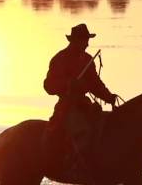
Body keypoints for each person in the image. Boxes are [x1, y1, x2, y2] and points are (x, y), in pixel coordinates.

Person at [42, 23, 118, 176]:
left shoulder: (87, 59)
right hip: (66, 105)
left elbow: (95, 84)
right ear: (75, 40)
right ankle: (73, 162)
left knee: (102, 125)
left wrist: (108, 96)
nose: (87, 43)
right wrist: (68, 84)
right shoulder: (60, 58)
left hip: (83, 104)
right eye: (84, 40)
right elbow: (48, 86)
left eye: (87, 40)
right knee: (80, 129)